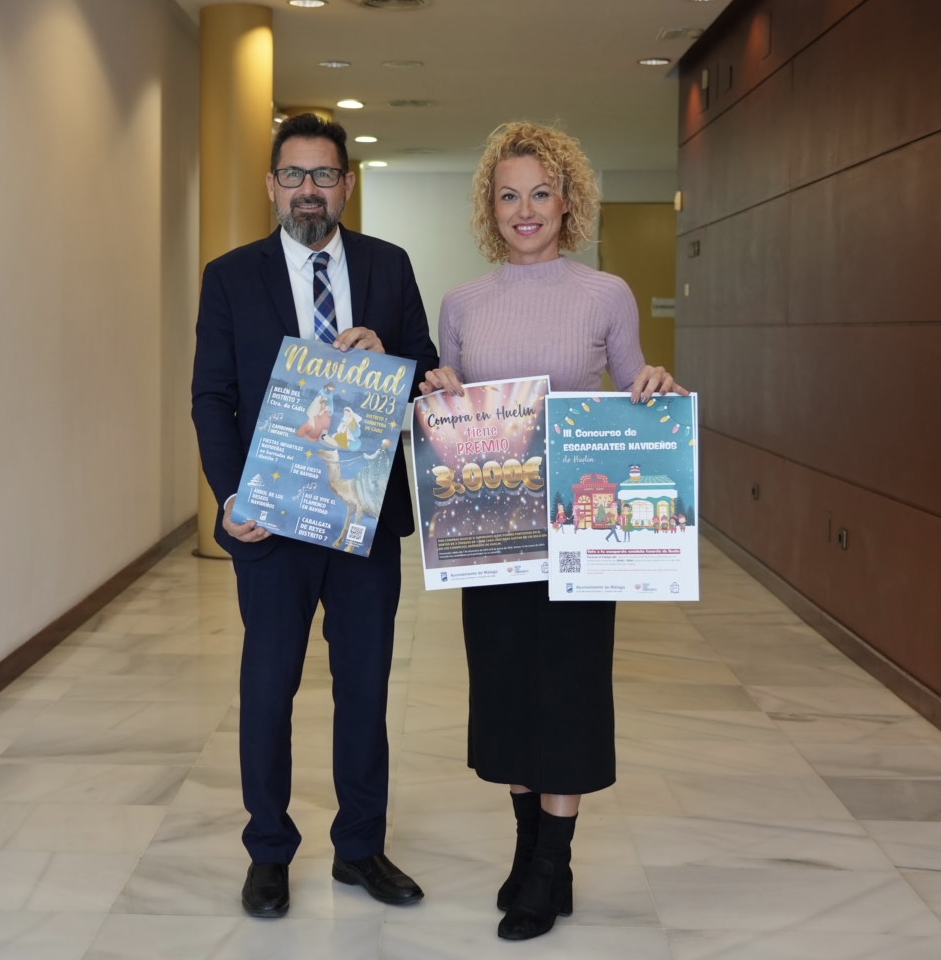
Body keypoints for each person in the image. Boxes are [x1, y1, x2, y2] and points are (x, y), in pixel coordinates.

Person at [419, 122, 688, 941]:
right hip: (491, 530)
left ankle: (551, 867)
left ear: (566, 202)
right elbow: (452, 405)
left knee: (567, 691)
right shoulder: (462, 302)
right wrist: (439, 388)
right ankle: (526, 847)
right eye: (508, 195)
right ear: (489, 209)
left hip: (579, 534)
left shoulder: (603, 293)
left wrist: (652, 381)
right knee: (504, 688)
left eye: (540, 193)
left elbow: (633, 383)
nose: (524, 209)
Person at [192, 113, 438, 919]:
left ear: (346, 184)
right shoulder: (230, 276)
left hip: (364, 519)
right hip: (272, 522)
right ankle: (268, 850)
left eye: (323, 175)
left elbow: (426, 376)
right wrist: (234, 499)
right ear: (271, 185)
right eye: (293, 175)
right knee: (269, 689)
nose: (308, 190)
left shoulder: (389, 268)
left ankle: (359, 848)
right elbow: (212, 397)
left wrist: (392, 366)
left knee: (364, 690)